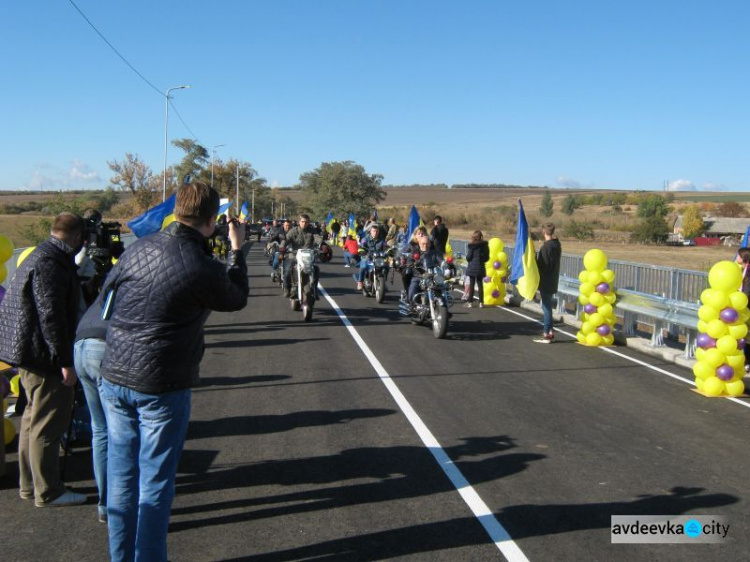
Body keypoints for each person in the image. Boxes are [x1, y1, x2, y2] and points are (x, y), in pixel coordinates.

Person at [99, 181, 248, 561]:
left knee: (122, 479)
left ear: (176, 210)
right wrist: (236, 250)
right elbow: (235, 298)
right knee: (155, 483)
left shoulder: (140, 248)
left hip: (113, 374)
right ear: (212, 220)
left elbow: (107, 293)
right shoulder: (201, 264)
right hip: (160, 384)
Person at [0, 212, 87, 507]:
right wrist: (65, 361)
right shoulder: (52, 264)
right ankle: (48, 490)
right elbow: (52, 316)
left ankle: (30, 485)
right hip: (43, 356)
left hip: (27, 352)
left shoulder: (39, 255)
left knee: (31, 421)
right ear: (76, 237)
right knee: (48, 424)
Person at [73, 291, 110, 522]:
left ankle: (105, 503)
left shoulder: (115, 276)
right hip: (105, 345)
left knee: (100, 431)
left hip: (81, 344)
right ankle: (119, 503)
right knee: (122, 430)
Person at [534, 222, 562, 343]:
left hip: (545, 280)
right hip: (553, 279)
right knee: (548, 307)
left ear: (544, 232)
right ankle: (550, 331)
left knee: (546, 308)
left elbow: (543, 266)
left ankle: (546, 333)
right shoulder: (557, 245)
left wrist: (534, 259)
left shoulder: (545, 247)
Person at [281, 213, 317, 297]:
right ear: (299, 222)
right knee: (287, 271)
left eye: (306, 222)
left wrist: (322, 245)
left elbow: (317, 238)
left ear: (309, 223)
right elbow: (286, 239)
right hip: (294, 255)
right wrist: (282, 246)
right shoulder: (293, 231)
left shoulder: (312, 231)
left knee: (316, 270)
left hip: (308, 256)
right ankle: (287, 289)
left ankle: (315, 289)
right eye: (303, 221)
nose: (304, 223)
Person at [402, 226, 440, 304]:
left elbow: (438, 256)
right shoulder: (412, 246)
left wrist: (444, 263)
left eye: (423, 233)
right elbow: (407, 256)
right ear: (415, 235)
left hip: (431, 274)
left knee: (442, 286)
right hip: (418, 273)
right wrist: (408, 261)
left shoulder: (431, 245)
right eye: (419, 233)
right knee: (412, 284)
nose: (421, 235)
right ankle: (410, 301)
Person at [357, 224, 387, 291]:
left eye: (376, 231)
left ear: (378, 232)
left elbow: (386, 248)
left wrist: (389, 252)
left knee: (386, 267)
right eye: (373, 231)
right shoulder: (365, 239)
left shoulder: (382, 240)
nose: (375, 233)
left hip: (378, 259)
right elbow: (361, 247)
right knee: (363, 266)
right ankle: (360, 282)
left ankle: (383, 283)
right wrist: (362, 252)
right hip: (368, 257)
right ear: (370, 231)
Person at [464, 230, 490, 308]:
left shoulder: (472, 246)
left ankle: (470, 302)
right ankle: (481, 302)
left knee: (472, 284)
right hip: (481, 266)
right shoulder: (485, 245)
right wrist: (482, 261)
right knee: (480, 284)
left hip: (472, 266)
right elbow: (487, 257)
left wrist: (469, 261)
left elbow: (468, 257)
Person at [736, 247, 750, 371]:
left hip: (747, 306)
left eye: (738, 256)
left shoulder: (748, 271)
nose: (736, 258)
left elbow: (747, 290)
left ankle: (747, 361)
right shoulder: (742, 269)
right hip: (744, 307)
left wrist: (741, 299)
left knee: (747, 335)